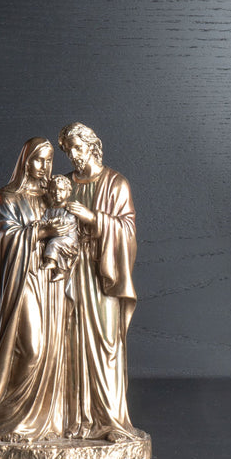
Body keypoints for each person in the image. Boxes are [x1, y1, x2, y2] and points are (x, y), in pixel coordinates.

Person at [0, 138, 70, 443]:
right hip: (23, 280)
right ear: (25, 160)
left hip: (51, 283)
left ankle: (44, 421)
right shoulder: (8, 197)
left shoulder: (52, 196)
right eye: (38, 159)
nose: (44, 166)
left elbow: (71, 227)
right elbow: (8, 237)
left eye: (49, 160)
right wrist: (42, 230)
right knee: (32, 348)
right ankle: (11, 419)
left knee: (52, 350)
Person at [58, 122, 142, 442]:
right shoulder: (64, 183)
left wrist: (92, 218)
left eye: (78, 149)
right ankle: (75, 419)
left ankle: (110, 421)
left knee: (105, 343)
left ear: (93, 146)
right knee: (71, 343)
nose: (74, 156)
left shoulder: (116, 184)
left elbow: (128, 230)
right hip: (70, 270)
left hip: (101, 274)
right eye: (69, 152)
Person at [39, 175, 79, 281]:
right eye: (54, 190)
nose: (57, 193)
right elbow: (44, 221)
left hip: (70, 239)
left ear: (68, 192)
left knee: (54, 243)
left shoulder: (69, 209)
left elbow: (68, 220)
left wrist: (54, 221)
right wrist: (39, 223)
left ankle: (51, 262)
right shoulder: (49, 210)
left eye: (61, 190)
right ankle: (60, 272)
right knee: (55, 246)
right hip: (59, 239)